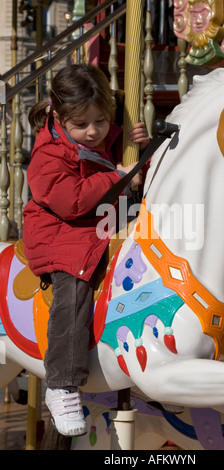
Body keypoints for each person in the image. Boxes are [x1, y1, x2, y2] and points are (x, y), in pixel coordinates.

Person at [22, 63, 150, 437]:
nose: (93, 131)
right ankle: (62, 385)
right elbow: (72, 201)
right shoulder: (46, 156)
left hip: (100, 220)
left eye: (101, 121)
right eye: (82, 125)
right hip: (61, 231)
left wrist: (132, 140)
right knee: (75, 288)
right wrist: (119, 176)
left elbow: (106, 151)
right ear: (59, 118)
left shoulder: (97, 137)